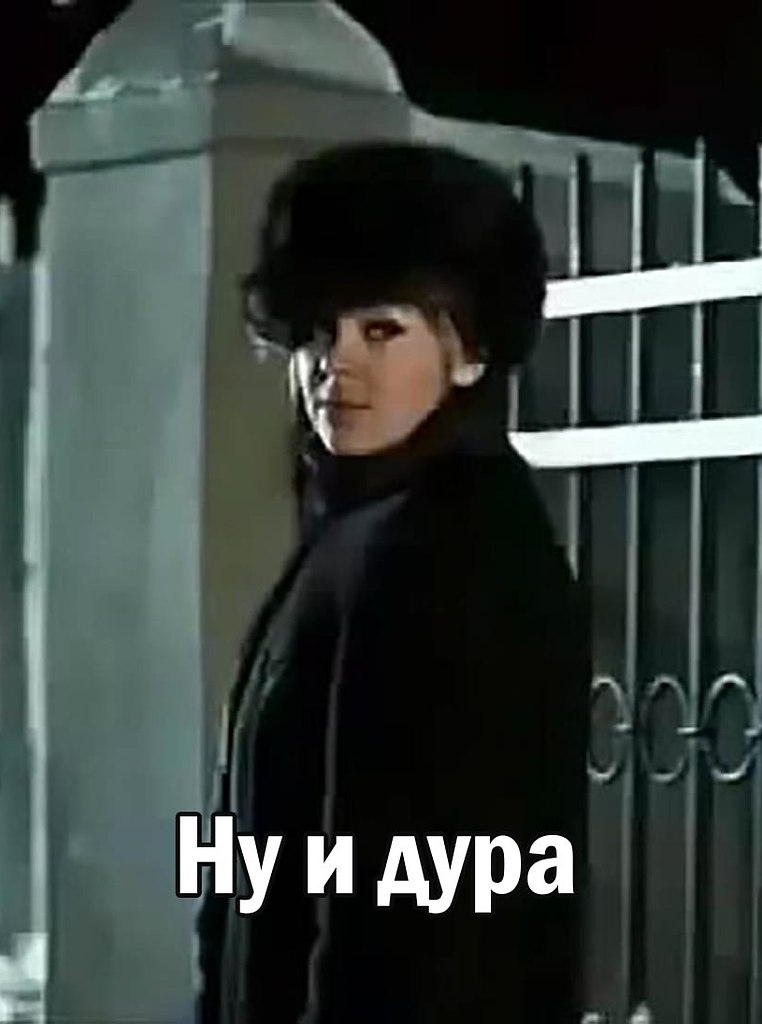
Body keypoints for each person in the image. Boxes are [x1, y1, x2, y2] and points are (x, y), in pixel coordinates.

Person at [195, 140, 590, 1024]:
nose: (336, 364)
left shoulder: (454, 550)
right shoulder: (358, 528)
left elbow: (426, 911)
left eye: (380, 330)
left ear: (469, 353)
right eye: (317, 332)